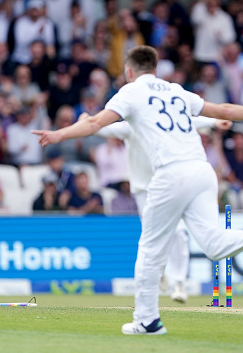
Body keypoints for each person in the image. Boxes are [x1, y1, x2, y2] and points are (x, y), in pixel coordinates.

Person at [32, 45, 243, 335]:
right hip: (203, 171)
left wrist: (58, 134)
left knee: (150, 248)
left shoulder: (131, 92)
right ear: (155, 69)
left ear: (129, 72)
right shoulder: (176, 90)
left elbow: (94, 122)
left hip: (172, 174)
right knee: (213, 245)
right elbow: (224, 109)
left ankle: (147, 320)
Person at [82, 111, 232, 304]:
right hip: (142, 191)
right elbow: (102, 128)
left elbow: (188, 120)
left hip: (165, 185)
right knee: (151, 237)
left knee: (177, 232)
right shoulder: (128, 128)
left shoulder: (162, 122)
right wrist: (86, 121)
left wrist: (213, 120)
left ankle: (178, 282)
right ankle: (159, 271)